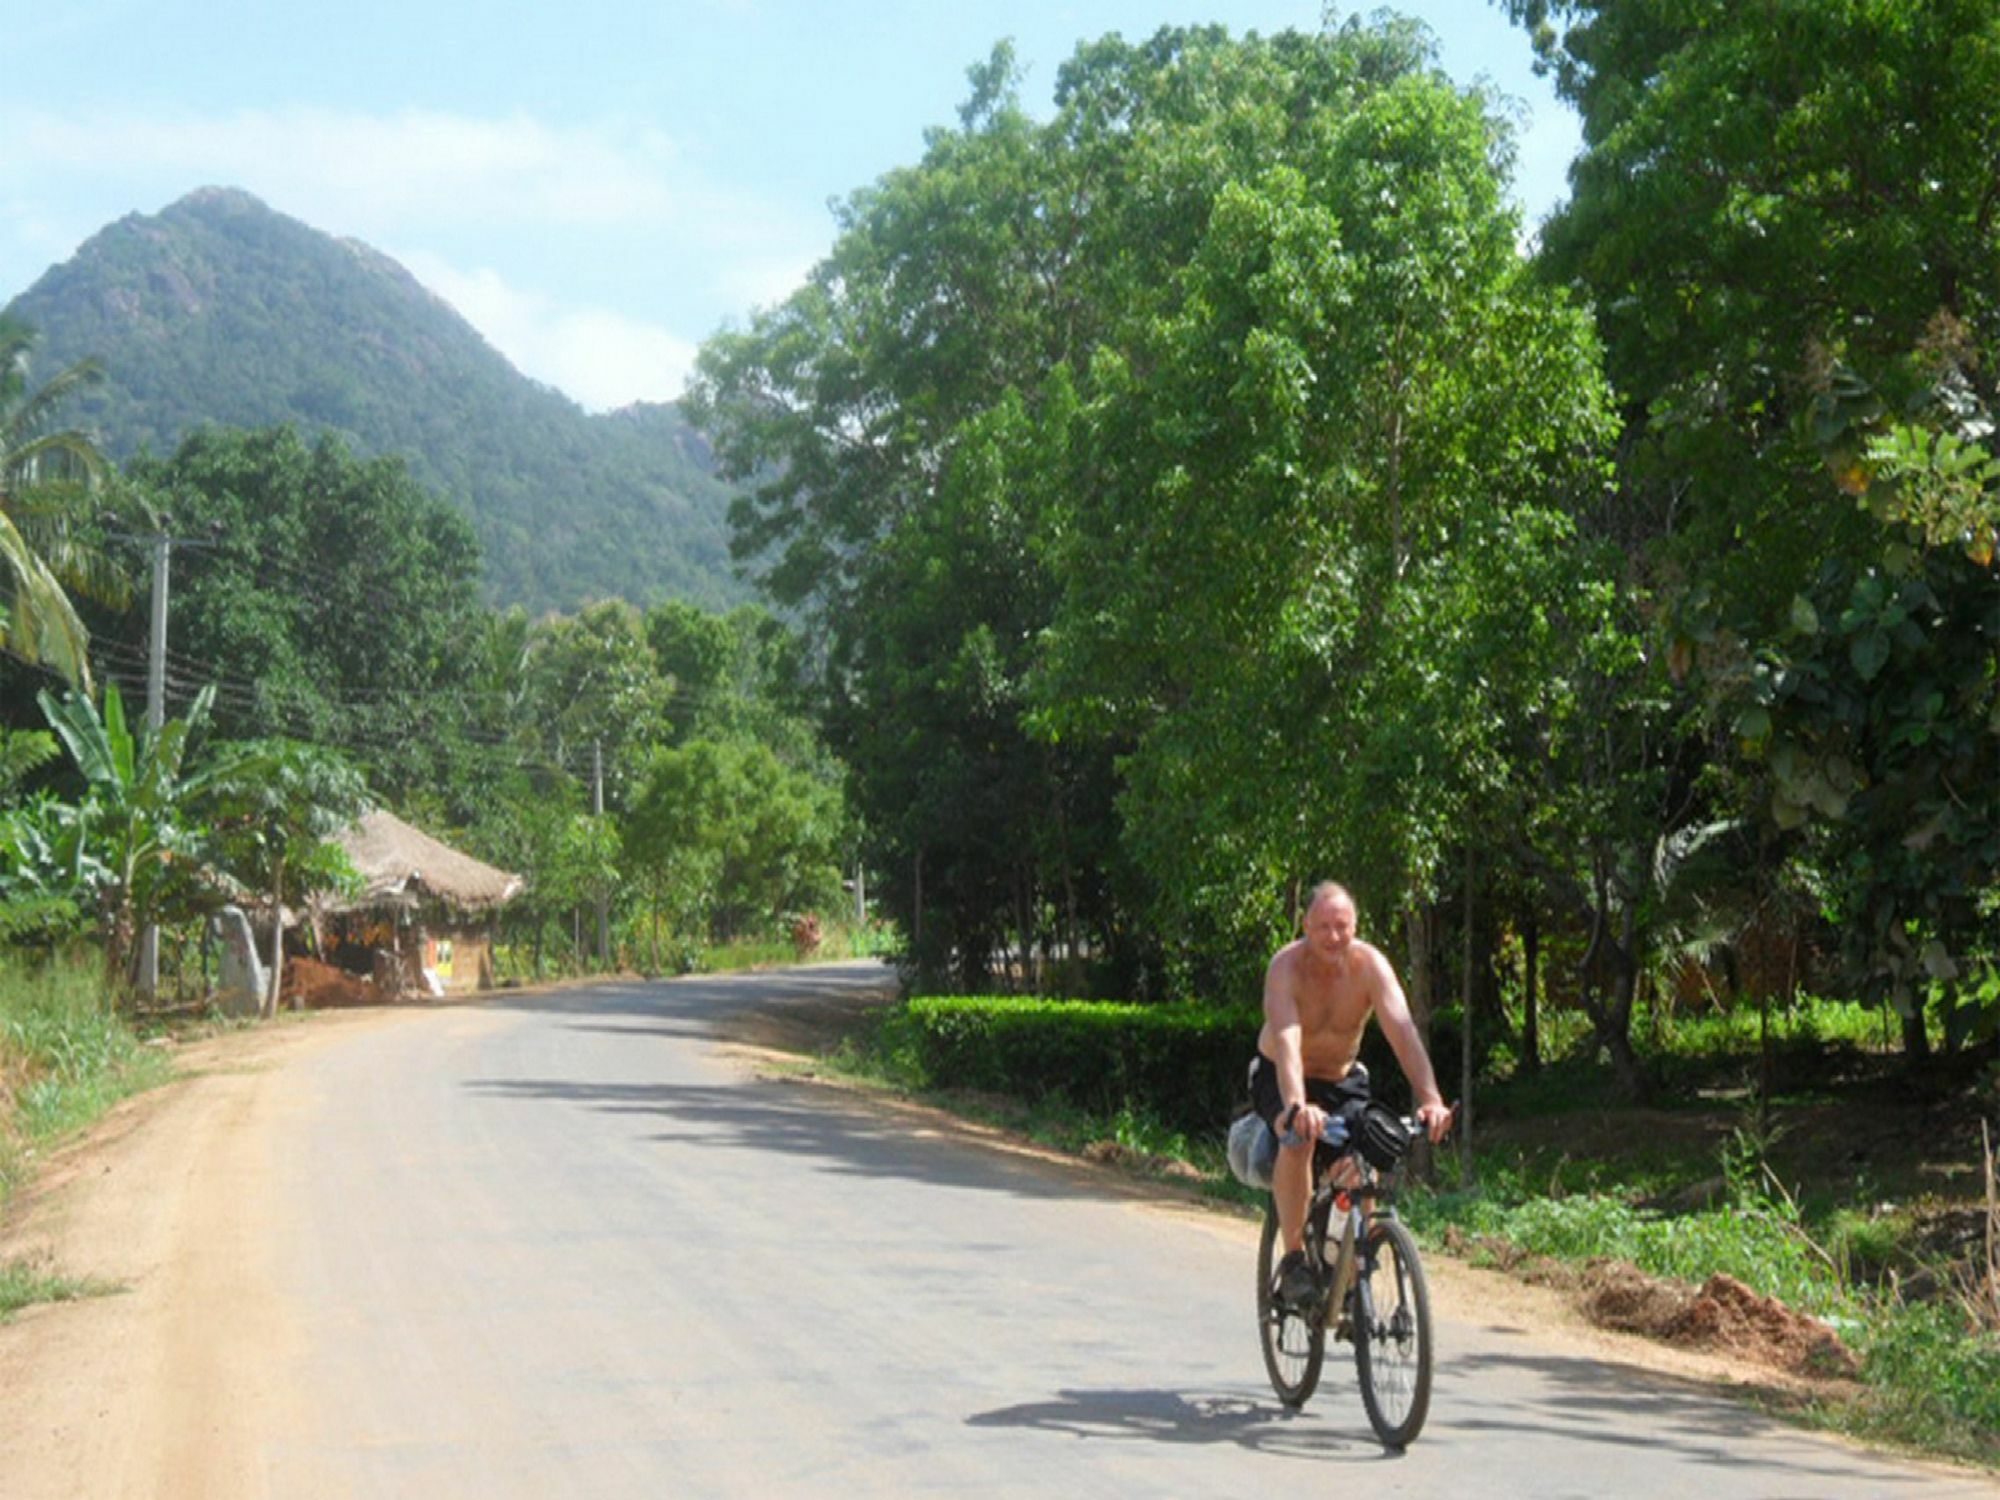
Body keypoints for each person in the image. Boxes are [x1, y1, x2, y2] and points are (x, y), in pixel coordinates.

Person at [1250, 881, 1452, 1303]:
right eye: (1322, 926)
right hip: (1282, 1075)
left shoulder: (1370, 966)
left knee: (1369, 1151)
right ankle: (1292, 1261)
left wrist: (1430, 1098)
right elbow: (1287, 1039)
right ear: (1306, 925)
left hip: (1342, 1079)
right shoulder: (1285, 967)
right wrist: (1295, 1105)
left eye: (1342, 926)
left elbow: (1403, 1031)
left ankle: (1352, 1262)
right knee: (1298, 1138)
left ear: (1356, 926)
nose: (1333, 936)